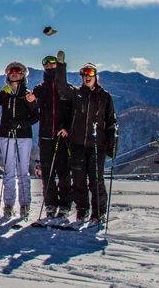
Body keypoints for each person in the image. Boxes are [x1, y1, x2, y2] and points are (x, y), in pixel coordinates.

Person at [55, 54, 118, 224]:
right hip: (77, 144)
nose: (87, 77)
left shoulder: (105, 97)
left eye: (90, 74)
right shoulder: (76, 94)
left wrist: (112, 142)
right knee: (79, 180)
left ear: (96, 77)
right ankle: (82, 209)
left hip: (97, 145)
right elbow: (61, 87)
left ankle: (98, 212)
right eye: (84, 74)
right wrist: (61, 66)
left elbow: (112, 121)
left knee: (96, 181)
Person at [0, 61, 39, 219]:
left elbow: (36, 115)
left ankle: (25, 204)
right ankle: (9, 204)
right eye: (11, 71)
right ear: (7, 75)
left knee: (23, 171)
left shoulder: (27, 94)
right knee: (9, 171)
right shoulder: (4, 93)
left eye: (17, 71)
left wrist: (21, 124)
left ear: (23, 75)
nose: (14, 73)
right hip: (6, 135)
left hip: (24, 136)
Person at [32, 55, 73, 222]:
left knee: (64, 173)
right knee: (47, 174)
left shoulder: (67, 90)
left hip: (63, 138)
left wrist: (67, 129)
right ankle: (50, 204)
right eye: (46, 64)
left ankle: (65, 205)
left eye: (52, 64)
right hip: (45, 137)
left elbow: (73, 113)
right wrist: (31, 101)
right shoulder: (40, 89)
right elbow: (35, 107)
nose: (49, 66)